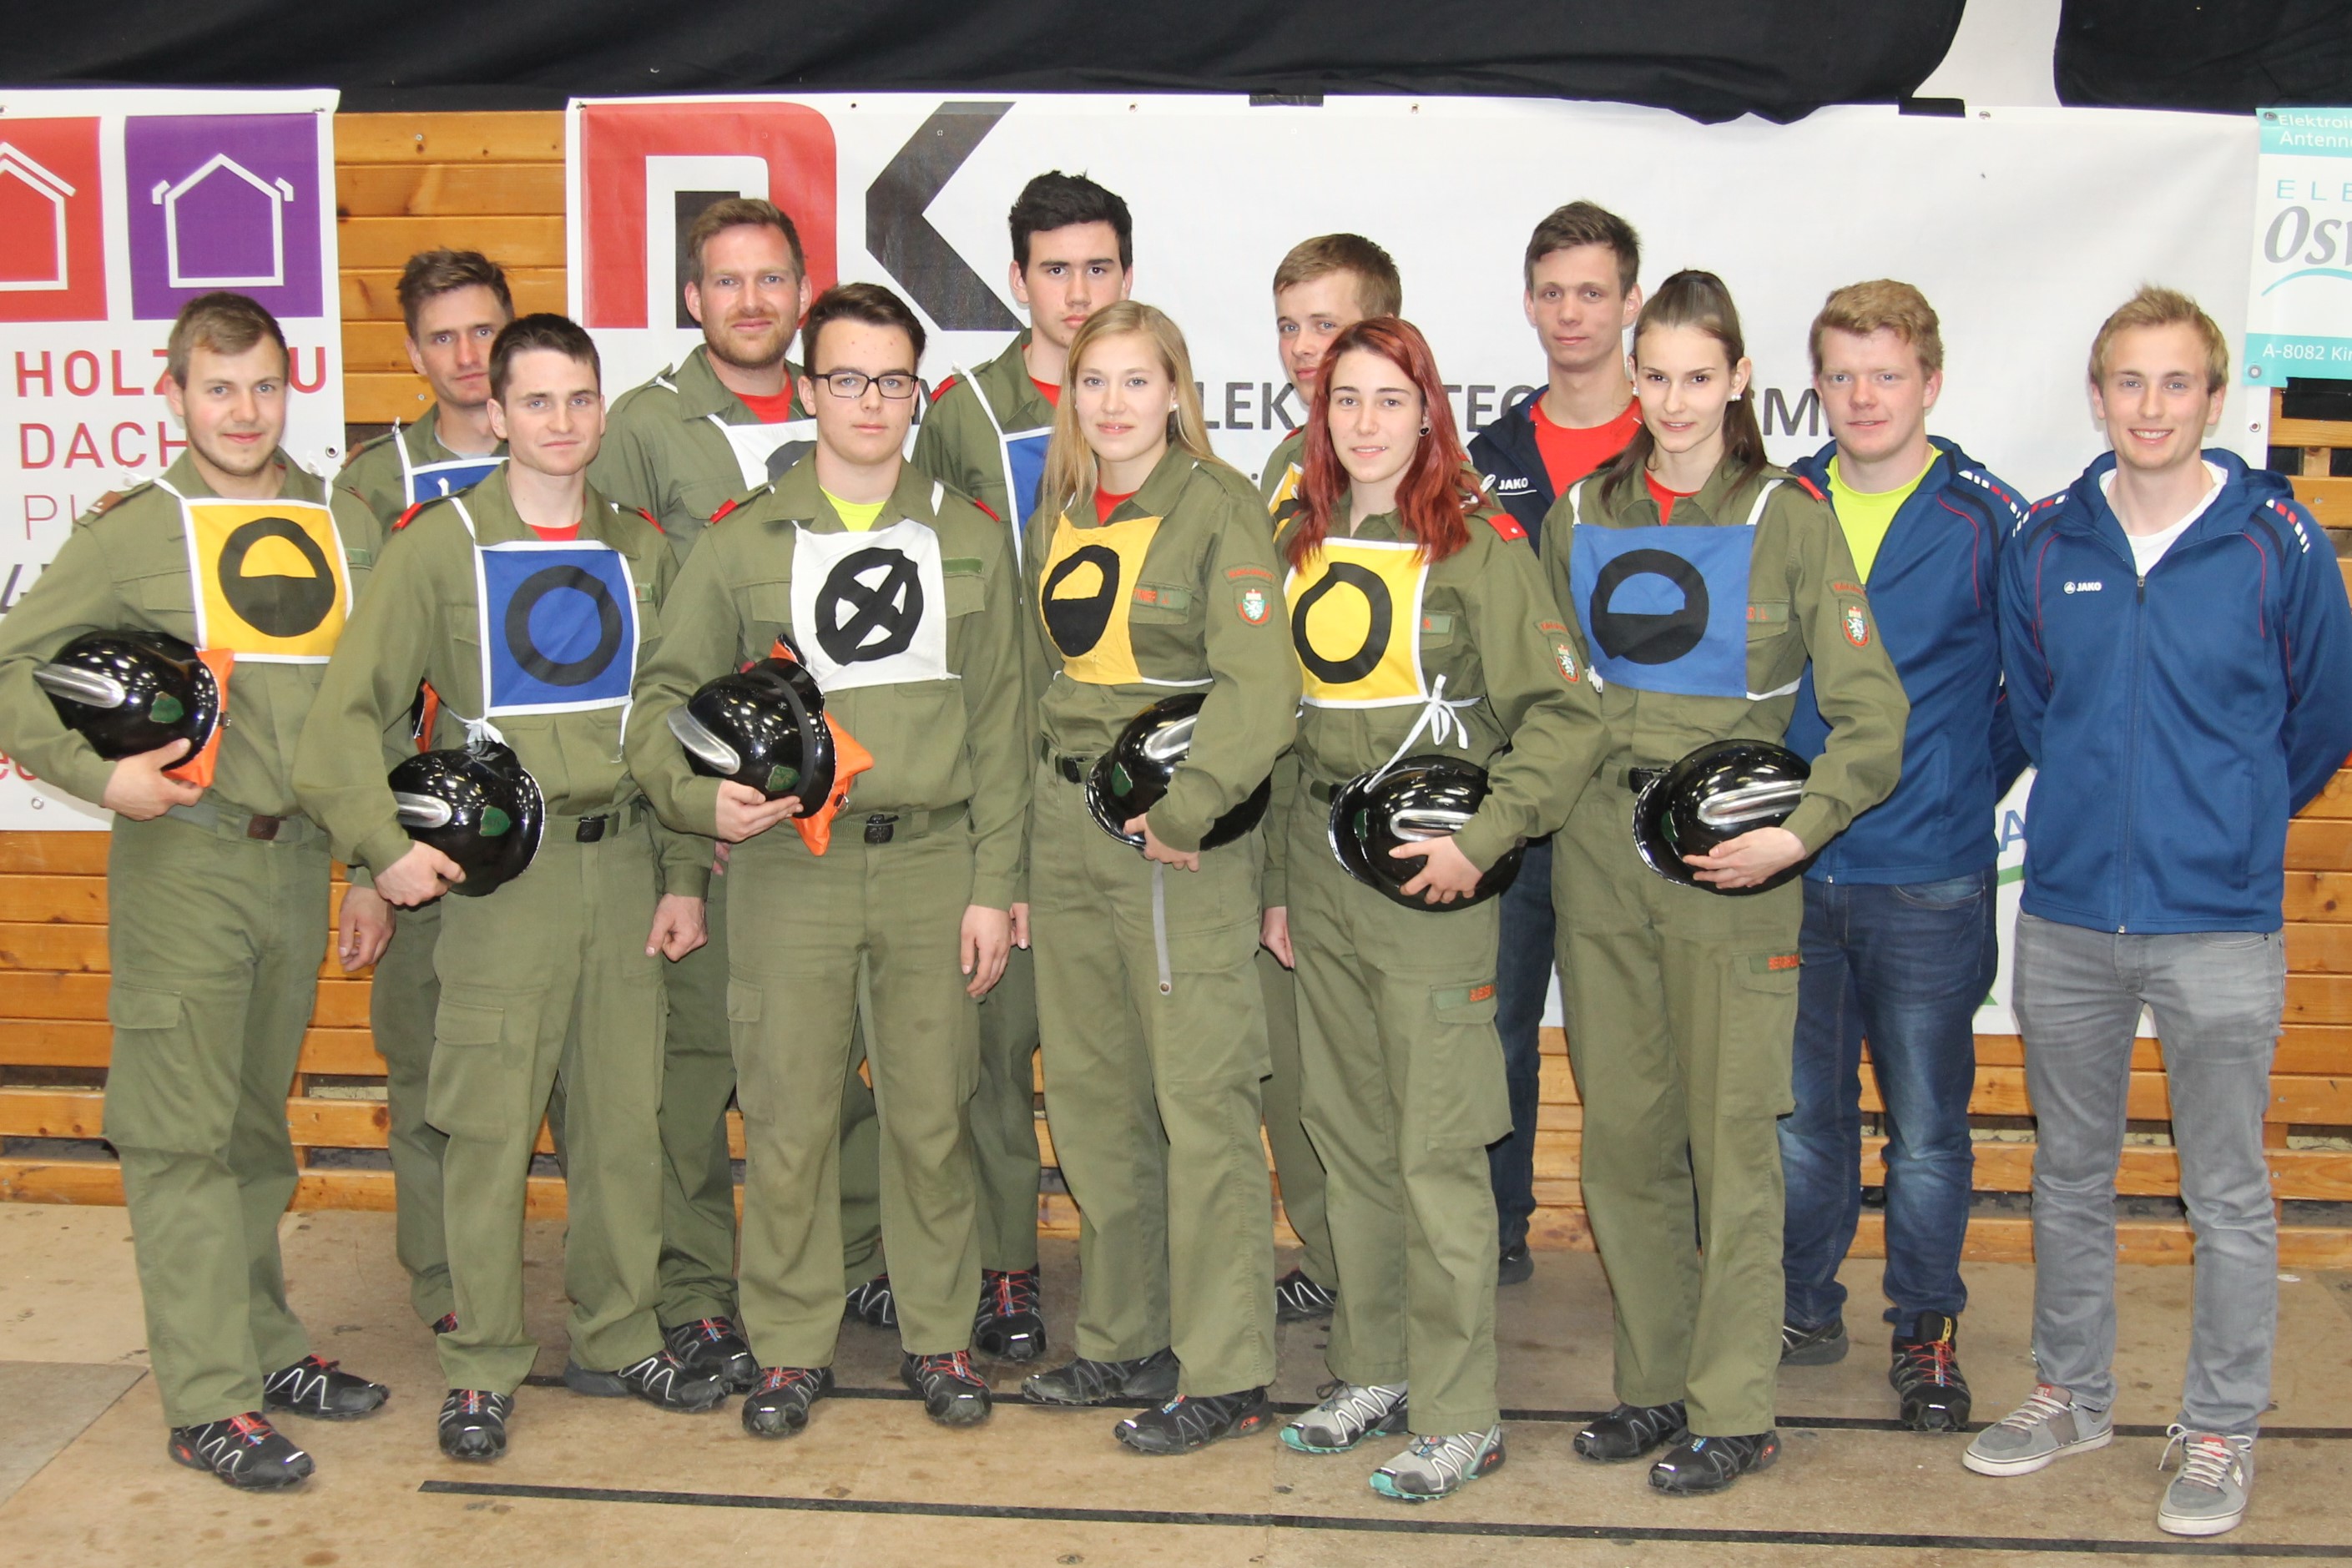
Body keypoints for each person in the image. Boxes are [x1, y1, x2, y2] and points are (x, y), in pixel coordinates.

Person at [295, 314, 722, 1462]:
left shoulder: (643, 551)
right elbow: (344, 720)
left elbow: (678, 729)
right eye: (535, 401)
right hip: (502, 888)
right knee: (486, 1134)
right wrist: (379, 847)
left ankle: (619, 1333)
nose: (561, 422)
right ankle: (481, 1364)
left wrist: (684, 872)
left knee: (622, 1123)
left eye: (579, 398)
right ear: (494, 414)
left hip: (624, 868)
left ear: (601, 408)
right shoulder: (438, 548)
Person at [1966, 286, 2352, 1539]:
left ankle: (2219, 1426)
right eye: (2128, 382)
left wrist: (2232, 818)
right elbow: (2035, 710)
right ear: (2096, 397)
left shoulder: (2277, 542)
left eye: (2175, 382)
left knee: (2226, 1191)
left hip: (2218, 922)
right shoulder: (2044, 542)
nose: (2150, 406)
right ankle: (2071, 1396)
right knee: (2069, 1174)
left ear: (2213, 398)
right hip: (2071, 915)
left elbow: (2319, 721)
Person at [0, 293, 391, 1488]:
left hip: (296, 864)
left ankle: (264, 1348)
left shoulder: (343, 523)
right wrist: (95, 775)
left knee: (252, 1128)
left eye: (264, 385)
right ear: (174, 395)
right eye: (218, 388)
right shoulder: (135, 532)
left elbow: (374, 709)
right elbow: (15, 664)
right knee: (178, 1139)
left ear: (290, 389)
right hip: (187, 861)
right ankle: (207, 1400)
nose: (243, 410)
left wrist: (368, 864)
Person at [630, 282, 1031, 1435]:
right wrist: (700, 802)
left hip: (932, 866)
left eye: (892, 380)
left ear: (917, 394)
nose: (869, 401)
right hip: (789, 872)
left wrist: (994, 887)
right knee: (790, 1120)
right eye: (846, 378)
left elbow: (1004, 725)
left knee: (931, 1117)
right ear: (808, 390)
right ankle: (790, 1349)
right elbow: (662, 700)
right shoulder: (742, 540)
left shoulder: (969, 537)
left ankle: (938, 1338)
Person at [1539, 270, 1909, 1495]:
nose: (1675, 400)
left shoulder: (1787, 518)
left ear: (1739, 380)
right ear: (1631, 378)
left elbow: (1870, 717)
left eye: (1699, 377)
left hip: (1731, 864)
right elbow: (1545, 695)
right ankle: (1653, 1385)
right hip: (1599, 856)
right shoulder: (1580, 510)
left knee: (1733, 1146)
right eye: (1655, 376)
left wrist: (1796, 836)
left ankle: (1735, 1410)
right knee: (1625, 1141)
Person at [1264, 316, 1605, 1500]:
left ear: (1428, 414)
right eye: (1345, 400)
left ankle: (1461, 1413)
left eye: (1389, 400)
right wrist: (1279, 888)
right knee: (1348, 1138)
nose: (1365, 422)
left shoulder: (1478, 546)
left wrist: (1483, 840)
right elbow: (1281, 726)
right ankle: (1374, 1368)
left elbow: (1565, 717)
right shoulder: (1300, 540)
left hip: (1430, 885)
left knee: (1436, 1153)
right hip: (1318, 873)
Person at [589, 197, 888, 1377]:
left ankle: (854, 1260)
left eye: (772, 279)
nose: (751, 301)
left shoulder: (856, 409)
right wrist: (683, 801)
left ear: (803, 293)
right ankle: (697, 1286)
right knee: (697, 1069)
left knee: (834, 1061)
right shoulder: (644, 428)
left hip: (845, 806)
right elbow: (618, 615)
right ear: (690, 298)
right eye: (727, 281)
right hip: (709, 813)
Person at [1017, 301, 1300, 1454]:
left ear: (1176, 392)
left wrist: (1188, 812)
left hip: (1170, 842)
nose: (1114, 403)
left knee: (1201, 1103)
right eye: (1094, 382)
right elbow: (1037, 679)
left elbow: (1262, 687)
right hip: (1063, 832)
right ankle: (1125, 1336)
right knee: (1095, 1102)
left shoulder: (1217, 507)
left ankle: (1227, 1368)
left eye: (1138, 380)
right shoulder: (1063, 509)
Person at [1775, 280, 2030, 1432]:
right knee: (1799, 1117)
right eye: (1841, 375)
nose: (1863, 397)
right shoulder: (1782, 503)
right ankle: (1799, 1305)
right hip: (1790, 870)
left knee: (1925, 1128)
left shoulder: (1987, 518)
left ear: (1930, 382)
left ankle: (1926, 1330)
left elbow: (2032, 689)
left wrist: (1956, 779)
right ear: (1816, 386)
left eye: (1885, 374)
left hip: (1927, 874)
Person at [909, 170, 1133, 1358]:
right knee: (994, 1049)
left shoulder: (1148, 396)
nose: (1078, 291)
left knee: (1115, 1053)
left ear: (1128, 275)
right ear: (1016, 279)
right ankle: (1005, 1268)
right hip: (998, 767)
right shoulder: (965, 416)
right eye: (1056, 269)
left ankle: (1135, 1277)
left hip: (1116, 781)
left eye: (1099, 267)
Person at [334, 247, 515, 1340]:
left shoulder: (562, 455)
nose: (466, 354)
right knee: (426, 1071)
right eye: (443, 336)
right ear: (412, 352)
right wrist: (365, 861)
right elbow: (350, 695)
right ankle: (445, 1289)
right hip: (418, 840)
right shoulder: (374, 486)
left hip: (546, 831)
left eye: (483, 330)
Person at [1466, 202, 1645, 1285]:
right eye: (1551, 292)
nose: (1570, 313)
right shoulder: (1486, 460)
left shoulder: (1680, 442)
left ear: (1631, 302)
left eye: (1592, 292)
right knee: (1493, 1033)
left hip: (1630, 804)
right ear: (1527, 303)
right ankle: (1494, 1240)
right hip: (1518, 799)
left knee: (1633, 1049)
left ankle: (1653, 1255)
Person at [1253, 232, 1404, 1324]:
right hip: (1290, 815)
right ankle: (1334, 1258)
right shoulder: (1275, 472)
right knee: (1299, 1069)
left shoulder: (1435, 487)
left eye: (1329, 324)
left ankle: (1395, 1291)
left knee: (1385, 1084)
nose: (1306, 348)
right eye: (1289, 326)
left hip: (1393, 828)